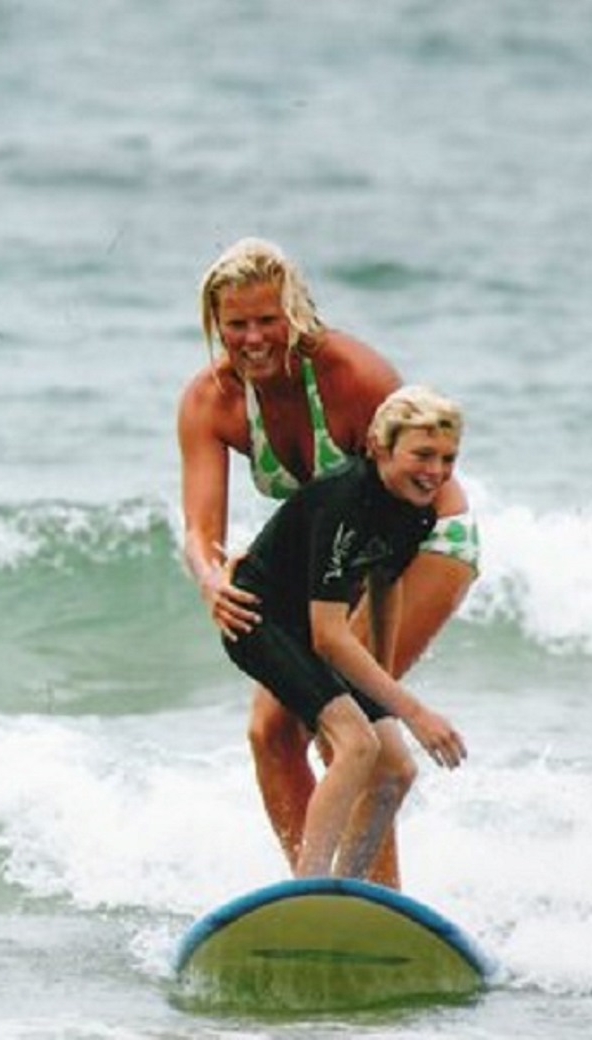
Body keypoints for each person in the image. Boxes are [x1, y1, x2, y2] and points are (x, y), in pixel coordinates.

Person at [177, 237, 478, 885]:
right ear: (214, 323)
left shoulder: (351, 375)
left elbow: (409, 494)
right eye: (236, 324)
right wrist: (211, 579)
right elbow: (201, 531)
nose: (252, 338)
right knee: (270, 733)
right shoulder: (211, 400)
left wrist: (392, 695)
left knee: (352, 732)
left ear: (296, 311)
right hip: (338, 557)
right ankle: (314, 899)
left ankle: (375, 897)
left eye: (267, 320)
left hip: (421, 545)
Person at [219, 385, 469, 878]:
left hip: (312, 630)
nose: (436, 471)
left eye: (448, 459)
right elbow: (328, 636)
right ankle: (309, 887)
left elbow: (385, 583)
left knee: (396, 770)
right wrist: (414, 712)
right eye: (422, 455)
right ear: (380, 447)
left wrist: (382, 680)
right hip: (260, 622)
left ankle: (347, 892)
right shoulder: (345, 502)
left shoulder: (416, 510)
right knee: (358, 744)